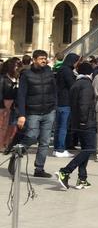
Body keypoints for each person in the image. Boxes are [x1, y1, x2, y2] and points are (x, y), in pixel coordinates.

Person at [15, 50, 57, 178]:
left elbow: (55, 90)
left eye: (45, 58)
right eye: (41, 59)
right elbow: (21, 95)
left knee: (44, 142)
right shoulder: (26, 75)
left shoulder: (49, 72)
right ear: (34, 60)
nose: (44, 60)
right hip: (33, 112)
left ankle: (39, 169)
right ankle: (17, 152)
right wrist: (21, 114)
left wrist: (55, 105)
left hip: (49, 111)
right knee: (32, 136)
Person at [57, 62, 97, 189]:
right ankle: (66, 171)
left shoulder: (76, 84)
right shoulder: (87, 85)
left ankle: (82, 178)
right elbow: (84, 104)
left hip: (76, 120)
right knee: (90, 148)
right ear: (90, 73)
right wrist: (85, 120)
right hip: (85, 121)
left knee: (85, 148)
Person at [53, 52, 80, 157]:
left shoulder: (61, 69)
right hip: (66, 101)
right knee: (63, 126)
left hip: (60, 100)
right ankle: (60, 149)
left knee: (59, 126)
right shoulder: (67, 71)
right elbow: (72, 86)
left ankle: (57, 148)